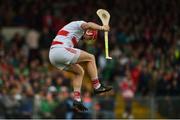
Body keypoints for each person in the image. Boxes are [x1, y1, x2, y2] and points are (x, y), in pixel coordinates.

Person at [49, 20, 112, 112]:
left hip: (54, 57)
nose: (88, 40)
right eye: (90, 38)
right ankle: (97, 86)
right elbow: (89, 24)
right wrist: (102, 28)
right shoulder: (80, 24)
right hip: (60, 50)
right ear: (89, 32)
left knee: (80, 71)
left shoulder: (76, 33)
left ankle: (77, 100)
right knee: (91, 57)